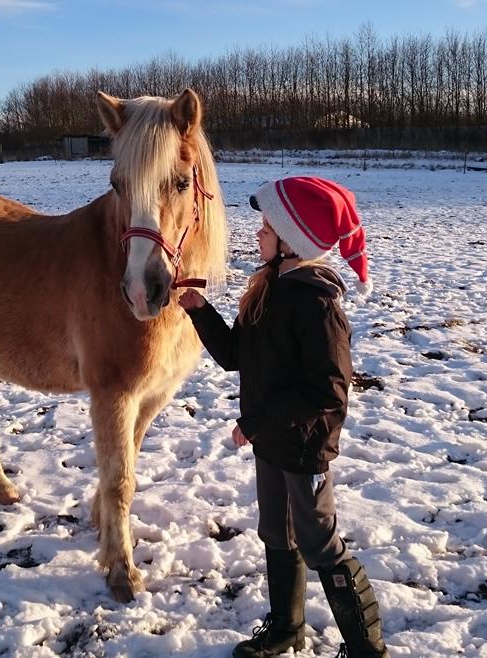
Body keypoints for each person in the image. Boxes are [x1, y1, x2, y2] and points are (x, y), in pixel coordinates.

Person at [178, 176, 388, 658]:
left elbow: (327, 392)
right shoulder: (270, 289)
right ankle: (286, 629)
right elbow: (236, 356)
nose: (258, 234)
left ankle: (367, 649)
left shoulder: (317, 304)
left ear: (293, 240)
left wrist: (255, 422)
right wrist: (198, 308)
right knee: (276, 533)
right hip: (271, 440)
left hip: (303, 446)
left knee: (319, 544)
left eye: (268, 226)